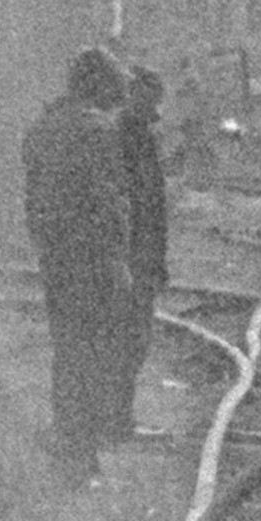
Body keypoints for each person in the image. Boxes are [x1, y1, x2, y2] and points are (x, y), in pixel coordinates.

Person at [17, 45, 139, 486]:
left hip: (57, 258)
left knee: (68, 353)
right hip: (93, 261)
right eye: (114, 82)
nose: (121, 90)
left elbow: (36, 201)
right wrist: (117, 260)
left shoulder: (42, 129)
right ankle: (81, 456)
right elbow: (108, 204)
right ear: (98, 84)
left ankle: (69, 446)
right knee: (95, 355)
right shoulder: (96, 131)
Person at [112, 62, 172, 436]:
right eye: (148, 100)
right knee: (127, 339)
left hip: (142, 255)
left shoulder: (140, 137)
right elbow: (132, 203)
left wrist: (158, 259)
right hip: (128, 256)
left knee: (134, 339)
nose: (153, 111)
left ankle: (118, 416)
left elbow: (153, 204)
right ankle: (115, 418)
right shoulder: (120, 138)